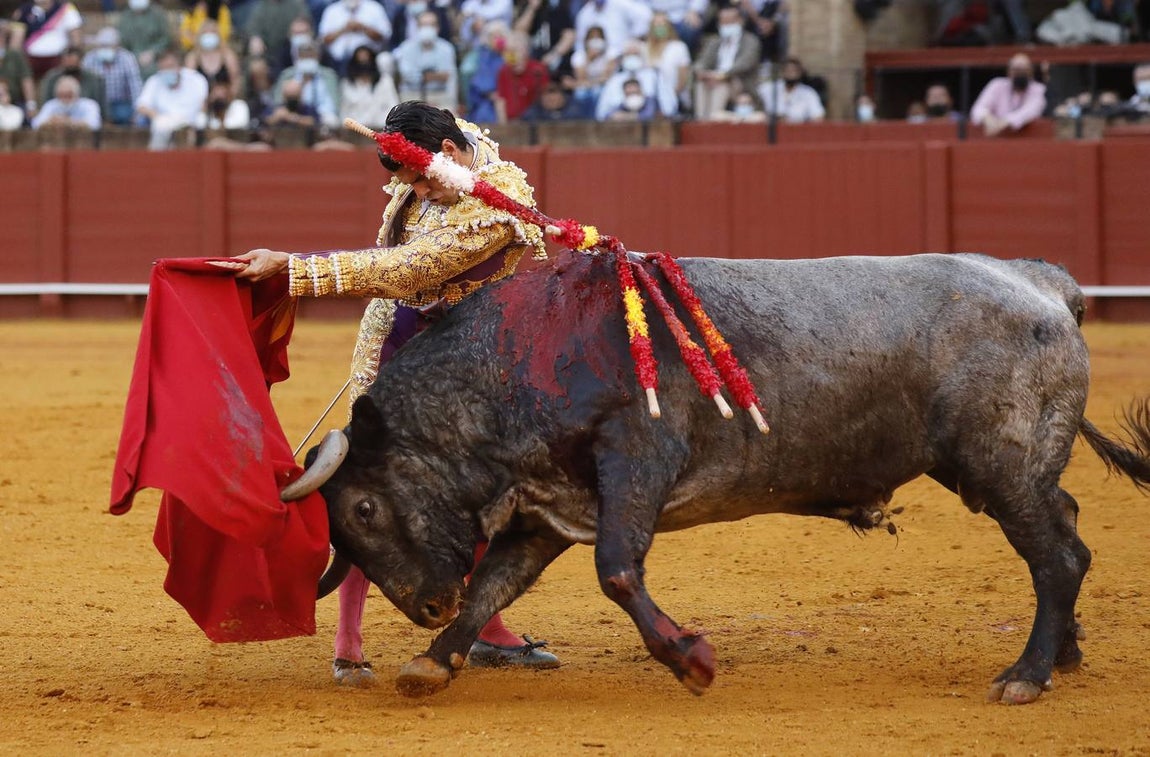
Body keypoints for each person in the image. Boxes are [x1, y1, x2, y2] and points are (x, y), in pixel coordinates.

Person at [211, 101, 562, 682]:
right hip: (394, 348)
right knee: (368, 495)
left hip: (470, 372)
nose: (417, 192)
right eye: (407, 181)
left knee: (480, 498)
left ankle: (486, 629)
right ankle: (348, 642)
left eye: (420, 179)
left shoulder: (497, 207)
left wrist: (293, 270)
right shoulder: (440, 154)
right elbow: (398, 268)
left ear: (448, 155)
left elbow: (410, 270)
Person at [693, 4, 761, 121]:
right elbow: (701, 62)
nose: (726, 26)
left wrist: (721, 75)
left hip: (738, 82)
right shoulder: (714, 41)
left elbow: (744, 64)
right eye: (723, 22)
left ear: (740, 21)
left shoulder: (751, 41)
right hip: (712, 78)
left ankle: (712, 121)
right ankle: (701, 121)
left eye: (730, 22)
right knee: (701, 84)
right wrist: (702, 73)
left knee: (720, 85)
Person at [135, 48, 210, 149]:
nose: (167, 71)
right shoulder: (154, 81)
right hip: (166, 120)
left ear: (179, 67)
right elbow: (141, 105)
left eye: (170, 67)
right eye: (163, 68)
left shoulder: (196, 79)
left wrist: (197, 118)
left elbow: (204, 103)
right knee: (160, 125)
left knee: (202, 121)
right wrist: (157, 116)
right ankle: (155, 160)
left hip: (191, 120)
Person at [594, 39, 677, 120]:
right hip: (619, 127)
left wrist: (637, 116)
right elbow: (602, 113)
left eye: (635, 54)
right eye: (629, 54)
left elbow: (669, 107)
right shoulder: (615, 79)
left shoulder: (655, 76)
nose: (632, 57)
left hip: (652, 126)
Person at [970, 52, 1046, 137]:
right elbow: (978, 109)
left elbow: (1030, 111)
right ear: (1009, 72)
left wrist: (1002, 123)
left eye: (1024, 70)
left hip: (1027, 140)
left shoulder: (1038, 89)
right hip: (995, 138)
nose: (1020, 74)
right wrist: (988, 119)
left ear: (1031, 72)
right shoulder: (997, 85)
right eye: (1017, 70)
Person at [392, 10, 457, 109]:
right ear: (418, 27)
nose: (427, 28)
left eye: (431, 25)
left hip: (439, 95)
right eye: (424, 25)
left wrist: (424, 76)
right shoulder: (406, 47)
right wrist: (433, 76)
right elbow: (408, 76)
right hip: (412, 95)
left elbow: (446, 76)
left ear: (438, 28)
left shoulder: (446, 48)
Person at [83, 27, 143, 125]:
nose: (105, 48)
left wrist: (138, 111)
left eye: (108, 46)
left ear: (117, 46)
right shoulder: (89, 58)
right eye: (102, 45)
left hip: (119, 102)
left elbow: (135, 86)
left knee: (124, 116)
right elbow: (84, 84)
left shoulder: (127, 58)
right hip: (96, 103)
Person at [9, 0, 83, 79]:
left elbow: (76, 40)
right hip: (30, 60)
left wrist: (70, 59)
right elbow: (15, 42)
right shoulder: (24, 10)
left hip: (58, 60)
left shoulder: (66, 8)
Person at [317, 0, 391, 73]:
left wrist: (362, 27)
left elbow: (384, 36)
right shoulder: (332, 10)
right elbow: (324, 39)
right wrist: (344, 29)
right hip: (338, 62)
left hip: (370, 60)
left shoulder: (374, 7)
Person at [340, 43, 397, 128]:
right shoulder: (347, 84)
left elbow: (393, 106)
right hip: (355, 130)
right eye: (360, 59)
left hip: (381, 127)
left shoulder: (385, 81)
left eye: (366, 58)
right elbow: (344, 111)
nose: (363, 61)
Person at [496, 30, 549, 121]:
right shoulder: (504, 71)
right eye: (507, 51)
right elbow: (501, 101)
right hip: (511, 123)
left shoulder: (538, 69)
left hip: (535, 123)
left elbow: (546, 98)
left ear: (525, 51)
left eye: (514, 51)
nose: (511, 55)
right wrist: (503, 125)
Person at [643, 12, 690, 114]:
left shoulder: (679, 47)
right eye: (656, 25)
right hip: (650, 98)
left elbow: (683, 78)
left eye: (663, 24)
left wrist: (670, 95)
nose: (659, 27)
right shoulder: (645, 48)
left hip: (674, 96)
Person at [40, 47, 105, 118]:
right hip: (57, 117)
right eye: (67, 62)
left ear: (80, 61)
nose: (70, 65)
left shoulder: (93, 79)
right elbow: (46, 104)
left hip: (85, 117)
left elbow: (100, 104)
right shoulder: (52, 78)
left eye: (73, 63)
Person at [756, 56, 824, 123]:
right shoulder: (769, 88)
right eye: (788, 70)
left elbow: (818, 117)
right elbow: (753, 100)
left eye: (794, 71)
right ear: (782, 72)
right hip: (770, 126)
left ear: (800, 73)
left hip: (797, 129)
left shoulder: (808, 93)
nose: (791, 73)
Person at [116, 0, 173, 77]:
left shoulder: (158, 14)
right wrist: (134, 57)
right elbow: (122, 43)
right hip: (131, 60)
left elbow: (166, 38)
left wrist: (153, 52)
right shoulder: (125, 17)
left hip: (156, 58)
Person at [244, 0, 309, 67]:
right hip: (269, 54)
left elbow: (306, 24)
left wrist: (298, 29)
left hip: (292, 50)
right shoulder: (260, 7)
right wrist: (256, 39)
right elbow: (252, 30)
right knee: (256, 59)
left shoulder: (296, 5)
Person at [31, 74, 101, 130]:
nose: (65, 99)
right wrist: (51, 121)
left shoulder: (89, 105)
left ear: (77, 94)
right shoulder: (51, 105)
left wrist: (69, 122)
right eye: (62, 95)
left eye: (69, 95)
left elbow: (95, 124)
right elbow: (35, 124)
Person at [0, 22, 36, 120]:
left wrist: (31, 105)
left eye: (2, 34)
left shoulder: (15, 55)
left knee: (26, 120)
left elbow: (26, 80)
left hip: (15, 102)